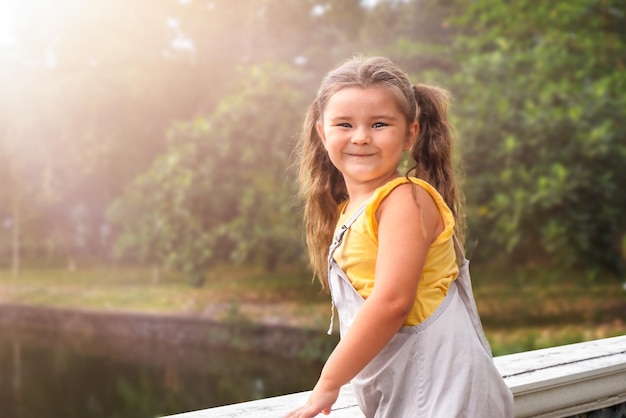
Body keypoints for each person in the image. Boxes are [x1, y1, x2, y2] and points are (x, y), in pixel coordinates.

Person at [286, 56, 514, 418]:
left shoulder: (404, 199)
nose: (361, 137)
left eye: (379, 124)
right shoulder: (351, 208)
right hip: (410, 390)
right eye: (344, 124)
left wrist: (327, 383)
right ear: (321, 131)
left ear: (411, 133)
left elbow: (392, 302)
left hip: (444, 391)